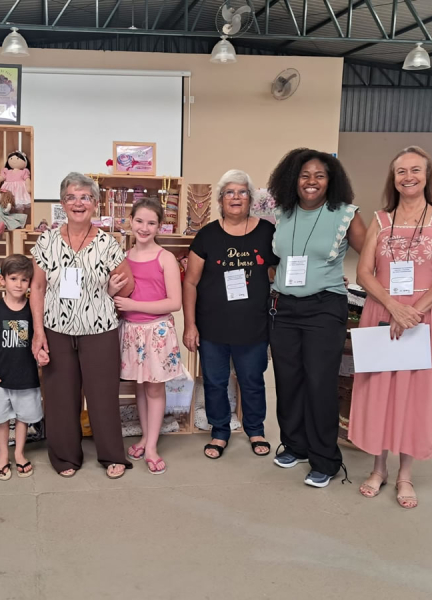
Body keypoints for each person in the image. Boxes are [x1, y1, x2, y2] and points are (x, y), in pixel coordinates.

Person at [268, 148, 367, 488]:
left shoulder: (346, 214)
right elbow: (275, 259)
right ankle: (295, 445)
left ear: (330, 180)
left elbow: (371, 258)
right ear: (292, 179)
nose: (311, 181)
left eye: (319, 176)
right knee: (288, 380)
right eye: (304, 175)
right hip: (284, 309)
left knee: (320, 383)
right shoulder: (282, 213)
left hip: (325, 308)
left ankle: (325, 459)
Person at [30, 172, 134, 479]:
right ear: (62, 204)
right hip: (56, 329)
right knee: (60, 396)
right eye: (71, 197)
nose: (78, 203)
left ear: (95, 204)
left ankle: (112, 455)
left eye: (85, 197)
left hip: (99, 329)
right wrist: (38, 332)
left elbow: (127, 286)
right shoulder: (47, 241)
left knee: (103, 395)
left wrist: (110, 291)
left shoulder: (107, 243)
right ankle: (65, 456)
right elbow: (37, 288)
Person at [350, 146, 432, 509]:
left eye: (416, 170)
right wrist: (394, 307)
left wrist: (412, 311)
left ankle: (405, 475)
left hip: (423, 317)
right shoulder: (381, 220)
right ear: (393, 178)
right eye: (401, 171)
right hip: (383, 312)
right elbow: (363, 272)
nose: (408, 176)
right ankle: (379, 468)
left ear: (427, 176)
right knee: (380, 390)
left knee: (414, 394)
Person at [182, 170, 279, 459]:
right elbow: (190, 282)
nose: (236, 197)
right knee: (215, 382)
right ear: (220, 200)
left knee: (252, 380)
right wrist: (190, 325)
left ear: (250, 198)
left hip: (254, 325)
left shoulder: (267, 232)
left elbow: (279, 271)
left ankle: (255, 429)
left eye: (242, 192)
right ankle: (220, 432)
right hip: (212, 326)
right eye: (230, 192)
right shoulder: (207, 235)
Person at [111, 198, 182, 475]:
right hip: (130, 331)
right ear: (130, 221)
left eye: (151, 223)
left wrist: (134, 305)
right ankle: (145, 437)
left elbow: (174, 302)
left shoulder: (166, 258)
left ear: (159, 226)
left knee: (154, 388)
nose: (144, 227)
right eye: (139, 221)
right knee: (139, 387)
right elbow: (116, 295)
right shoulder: (123, 257)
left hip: (156, 332)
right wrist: (112, 292)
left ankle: (151, 446)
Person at [0, 254, 46, 481]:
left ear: (30, 283)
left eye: (24, 280)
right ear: (2, 280)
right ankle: (2, 455)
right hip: (0, 376)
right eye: (14, 278)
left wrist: (42, 356)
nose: (19, 284)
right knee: (1, 419)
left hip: (26, 376)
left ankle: (19, 453)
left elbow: (39, 339)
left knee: (23, 417)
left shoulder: (33, 310)